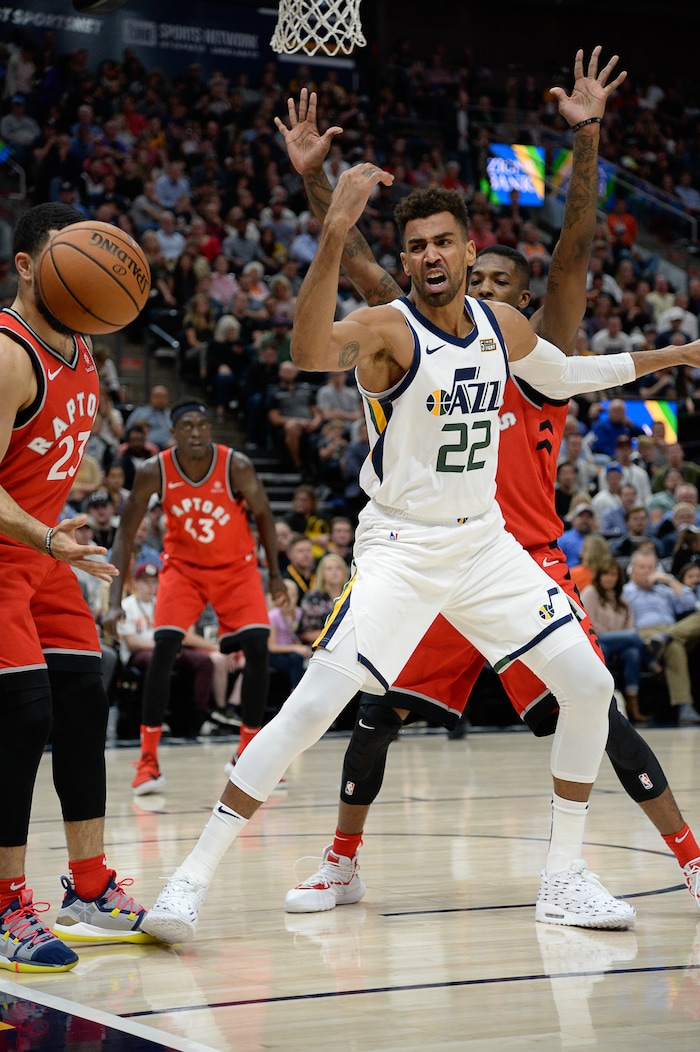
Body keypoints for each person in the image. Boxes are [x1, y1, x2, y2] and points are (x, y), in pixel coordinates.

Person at [142, 52, 648, 942]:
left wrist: (668, 362)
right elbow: (305, 351)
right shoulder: (384, 328)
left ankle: (564, 878)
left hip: (485, 545)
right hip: (404, 551)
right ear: (406, 262)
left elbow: (567, 370)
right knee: (309, 711)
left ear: (466, 248)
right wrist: (332, 227)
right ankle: (187, 882)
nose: (428, 257)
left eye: (443, 242)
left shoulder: (502, 324)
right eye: (413, 247)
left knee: (588, 685)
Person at [267, 70, 700, 920]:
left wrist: (585, 134)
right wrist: (315, 177)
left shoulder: (536, 357)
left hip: (521, 558)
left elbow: (576, 238)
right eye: (482, 283)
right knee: (376, 711)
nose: (487, 293)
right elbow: (353, 259)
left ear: (520, 300)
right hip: (432, 551)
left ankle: (688, 858)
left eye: (501, 283)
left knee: (599, 711)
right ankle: (340, 861)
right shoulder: (421, 333)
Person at [0, 202, 152, 973]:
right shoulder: (6, 352)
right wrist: (46, 533)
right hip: (4, 553)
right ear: (29, 266)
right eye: (71, 254)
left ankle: (89, 889)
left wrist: (62, 530)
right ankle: (1, 908)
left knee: (84, 696)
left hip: (46, 553)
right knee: (23, 716)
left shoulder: (86, 343)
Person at [104, 399, 287, 795]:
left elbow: (265, 515)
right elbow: (124, 534)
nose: (196, 433)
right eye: (187, 426)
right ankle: (148, 762)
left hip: (236, 568)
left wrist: (274, 575)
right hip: (183, 568)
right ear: (172, 433)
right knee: (164, 645)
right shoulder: (155, 472)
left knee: (259, 647)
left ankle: (247, 753)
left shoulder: (235, 465)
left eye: (202, 425)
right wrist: (114, 600)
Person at [116, 562, 217, 757]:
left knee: (203, 662)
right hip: (139, 655)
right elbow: (131, 643)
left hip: (165, 650)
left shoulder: (162, 603)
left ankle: (199, 716)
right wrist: (163, 648)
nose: (150, 587)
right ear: (135, 583)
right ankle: (156, 718)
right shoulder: (126, 606)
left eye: (154, 582)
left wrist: (171, 647)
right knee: (156, 659)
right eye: (146, 582)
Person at [622, 549, 700, 725]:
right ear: (632, 570)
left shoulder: (663, 590)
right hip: (645, 634)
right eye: (642, 567)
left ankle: (667, 636)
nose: (646, 571)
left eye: (650, 567)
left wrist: (669, 579)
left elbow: (689, 603)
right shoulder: (625, 592)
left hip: (671, 630)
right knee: (674, 647)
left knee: (688, 626)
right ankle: (685, 707)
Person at [581, 560, 659, 723]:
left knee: (633, 653)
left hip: (620, 643)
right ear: (599, 576)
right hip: (596, 639)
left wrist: (620, 638)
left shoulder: (621, 598)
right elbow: (589, 623)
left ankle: (633, 706)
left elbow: (630, 623)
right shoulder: (590, 592)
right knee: (631, 638)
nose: (610, 578)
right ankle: (652, 663)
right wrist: (619, 636)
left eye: (614, 575)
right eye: (606, 574)